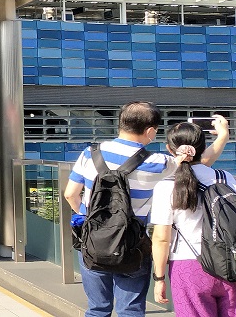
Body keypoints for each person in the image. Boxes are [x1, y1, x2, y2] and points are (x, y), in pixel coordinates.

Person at [64, 102, 228, 317]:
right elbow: (201, 163)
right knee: (130, 309)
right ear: (150, 131)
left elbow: (70, 194)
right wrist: (222, 136)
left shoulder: (89, 153)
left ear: (121, 123)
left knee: (97, 308)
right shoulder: (156, 162)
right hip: (133, 244)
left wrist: (91, 220)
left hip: (93, 242)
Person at [150, 118, 235, 316]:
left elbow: (162, 238)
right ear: (203, 147)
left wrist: (159, 278)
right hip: (229, 262)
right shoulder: (225, 178)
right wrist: (223, 136)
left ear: (170, 150)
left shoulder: (166, 187)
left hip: (187, 266)